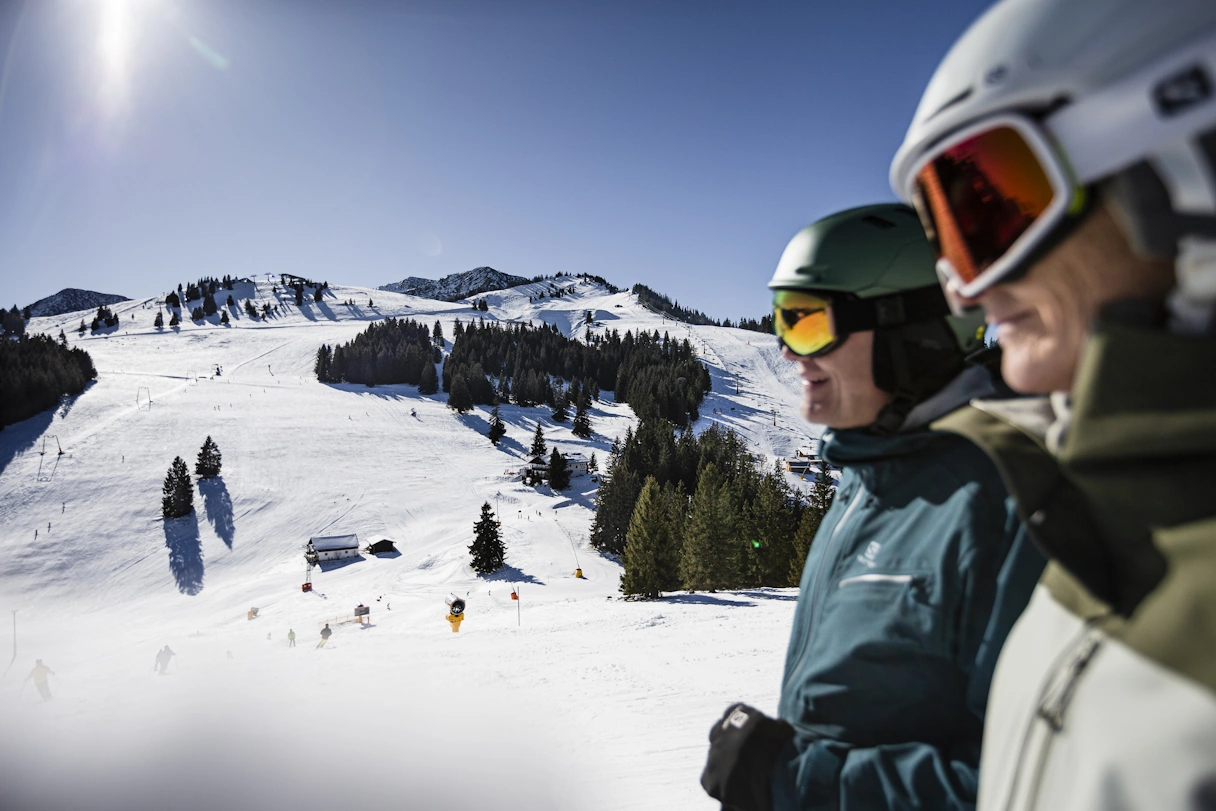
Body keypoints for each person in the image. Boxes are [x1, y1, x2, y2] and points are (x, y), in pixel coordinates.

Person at [888, 1, 1216, 807]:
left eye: (988, 209)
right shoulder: (1093, 530)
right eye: (944, 238)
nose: (964, 286)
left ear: (1188, 163)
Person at [699, 204, 1044, 810]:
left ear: (907, 329)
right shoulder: (868, 480)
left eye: (806, 322)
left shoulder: (1003, 499)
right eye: (782, 323)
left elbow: (1042, 779)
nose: (787, 352)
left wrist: (794, 784)